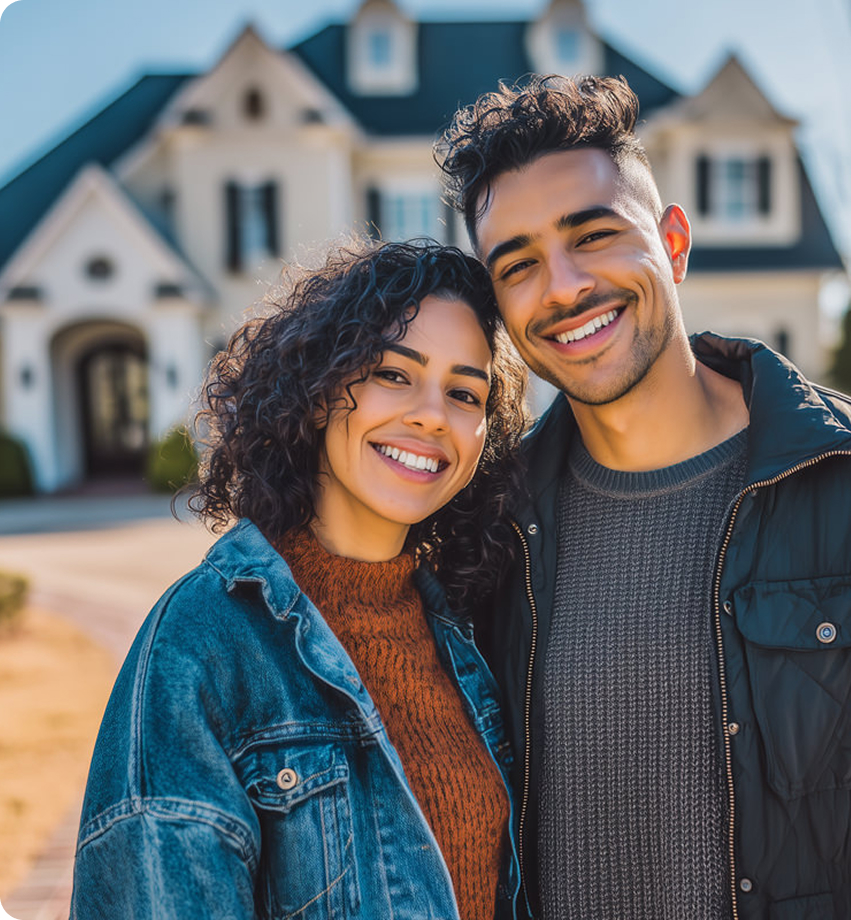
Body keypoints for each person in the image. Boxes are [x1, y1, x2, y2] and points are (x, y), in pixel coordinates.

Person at [435, 75, 851, 919]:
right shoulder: (485, 532)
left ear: (673, 242)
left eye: (595, 234)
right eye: (520, 264)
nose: (565, 286)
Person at [70, 240, 529, 919]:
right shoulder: (199, 648)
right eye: (394, 375)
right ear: (317, 394)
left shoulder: (468, 629)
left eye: (465, 392)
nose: (434, 414)